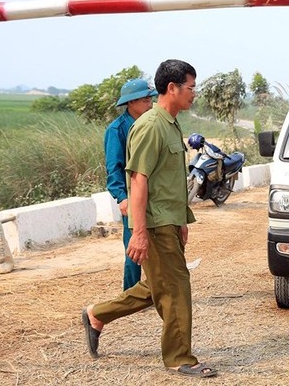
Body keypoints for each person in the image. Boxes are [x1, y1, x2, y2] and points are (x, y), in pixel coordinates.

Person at [82, 59, 217, 378]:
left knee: (155, 286)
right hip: (153, 225)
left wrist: (181, 220)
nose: (193, 94)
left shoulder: (169, 123)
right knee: (175, 288)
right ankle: (178, 356)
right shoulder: (150, 126)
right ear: (172, 88)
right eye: (190, 87)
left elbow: (168, 181)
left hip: (167, 222)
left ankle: (96, 315)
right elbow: (138, 181)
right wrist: (138, 232)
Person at [104, 78, 156, 291]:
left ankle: (153, 290)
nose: (149, 104)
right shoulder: (117, 130)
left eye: (150, 99)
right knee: (134, 247)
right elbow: (113, 167)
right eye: (145, 100)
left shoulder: (151, 125)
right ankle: (131, 294)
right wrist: (122, 197)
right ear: (131, 103)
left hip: (152, 195)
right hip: (131, 195)